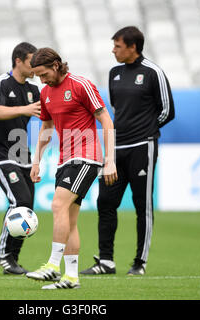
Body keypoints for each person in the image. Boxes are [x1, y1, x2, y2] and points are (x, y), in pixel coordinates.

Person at [80, 26, 175, 276]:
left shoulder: (153, 72)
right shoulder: (115, 74)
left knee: (141, 205)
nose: (113, 50)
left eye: (118, 46)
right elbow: (117, 108)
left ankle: (139, 263)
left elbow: (167, 110)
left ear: (133, 47)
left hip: (143, 147)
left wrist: (146, 130)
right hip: (115, 149)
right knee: (105, 202)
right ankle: (106, 261)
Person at [25, 48, 117, 289]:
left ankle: (53, 266)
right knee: (69, 219)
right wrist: (37, 160)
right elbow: (46, 127)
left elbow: (106, 120)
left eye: (43, 74)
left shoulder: (80, 85)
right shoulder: (44, 93)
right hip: (65, 159)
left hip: (87, 156)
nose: (41, 80)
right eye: (37, 76)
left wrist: (110, 159)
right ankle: (72, 278)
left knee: (58, 205)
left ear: (56, 65)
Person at [0, 42, 41, 275]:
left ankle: (12, 258)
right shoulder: (0, 83)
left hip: (23, 155)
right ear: (18, 61)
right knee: (19, 200)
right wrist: (25, 109)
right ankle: (2, 253)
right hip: (2, 155)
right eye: (32, 62)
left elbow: (47, 116)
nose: (35, 67)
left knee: (27, 205)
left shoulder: (33, 89)